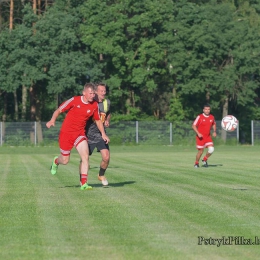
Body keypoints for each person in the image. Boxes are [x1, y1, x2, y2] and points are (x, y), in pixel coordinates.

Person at [46, 83, 110, 190]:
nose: (92, 95)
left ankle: (84, 183)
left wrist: (103, 134)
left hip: (80, 134)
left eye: (93, 93)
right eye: (90, 93)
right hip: (66, 134)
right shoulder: (74, 100)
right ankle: (56, 161)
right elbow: (59, 110)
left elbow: (98, 120)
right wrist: (52, 120)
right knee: (65, 161)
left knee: (85, 157)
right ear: (84, 93)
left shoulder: (94, 105)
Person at [83, 83, 111, 186]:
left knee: (106, 157)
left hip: (100, 135)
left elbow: (108, 113)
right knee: (84, 159)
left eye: (105, 91)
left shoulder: (107, 102)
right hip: (88, 135)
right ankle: (82, 180)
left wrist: (107, 120)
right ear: (96, 92)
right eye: (101, 91)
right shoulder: (90, 102)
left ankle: (101, 175)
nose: (104, 93)